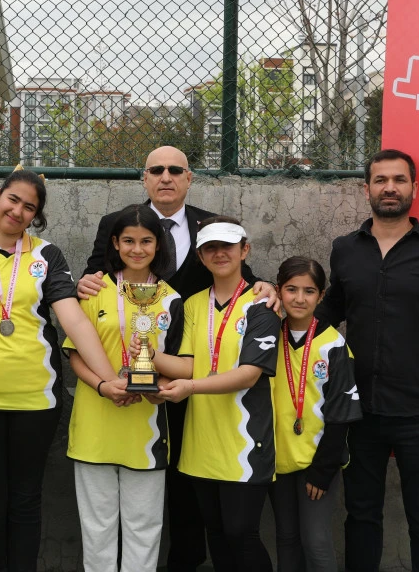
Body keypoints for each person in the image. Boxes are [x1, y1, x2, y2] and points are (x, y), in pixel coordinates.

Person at [77, 146, 269, 572]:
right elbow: (96, 276)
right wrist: (84, 286)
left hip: (193, 375)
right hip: (133, 388)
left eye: (175, 170)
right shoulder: (117, 223)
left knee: (187, 481)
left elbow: (240, 276)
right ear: (144, 178)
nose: (166, 176)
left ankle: (187, 557)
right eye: (156, 170)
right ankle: (183, 558)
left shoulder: (210, 226)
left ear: (189, 177)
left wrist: (267, 288)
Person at [0, 166, 127, 572]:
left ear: (35, 217)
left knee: (25, 500)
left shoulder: (47, 254)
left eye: (29, 208)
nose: (18, 211)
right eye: (13, 199)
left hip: (36, 399)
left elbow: (73, 320)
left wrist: (110, 376)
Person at [314, 149, 419, 572]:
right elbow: (329, 313)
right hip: (358, 408)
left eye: (399, 180)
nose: (390, 188)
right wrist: (273, 306)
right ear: (366, 188)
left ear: (414, 189)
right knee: (362, 518)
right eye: (381, 180)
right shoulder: (345, 249)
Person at [151, 217, 281, 572]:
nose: (220, 253)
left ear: (245, 250)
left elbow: (249, 374)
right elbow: (189, 365)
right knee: (217, 534)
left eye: (227, 245)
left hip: (244, 442)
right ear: (200, 256)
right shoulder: (192, 303)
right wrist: (144, 353)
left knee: (242, 533)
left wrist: (190, 388)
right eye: (211, 247)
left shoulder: (263, 305)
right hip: (200, 442)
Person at [65, 205, 180, 572]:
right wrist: (102, 385)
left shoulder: (173, 300)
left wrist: (153, 387)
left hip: (145, 428)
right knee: (97, 528)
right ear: (114, 243)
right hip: (95, 424)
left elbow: (179, 364)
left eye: (146, 241)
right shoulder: (93, 289)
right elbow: (74, 356)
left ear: (158, 245)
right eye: (128, 241)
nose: (137, 249)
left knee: (144, 527)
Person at [268, 256, 361, 572]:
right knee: (286, 538)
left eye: (309, 291)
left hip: (316, 463)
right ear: (278, 291)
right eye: (291, 289)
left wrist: (324, 468)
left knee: (316, 541)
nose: (299, 298)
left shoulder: (333, 344)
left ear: (321, 296)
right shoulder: (268, 337)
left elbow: (341, 414)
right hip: (277, 459)